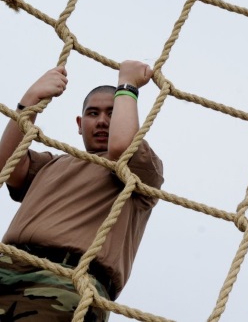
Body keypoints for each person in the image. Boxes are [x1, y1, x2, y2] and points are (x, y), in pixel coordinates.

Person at [0, 60, 164, 321]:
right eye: (93, 113)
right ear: (79, 123)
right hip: (7, 264)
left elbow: (122, 147)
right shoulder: (52, 164)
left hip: (65, 282)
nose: (102, 121)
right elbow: (7, 165)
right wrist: (29, 101)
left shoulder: (141, 168)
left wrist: (128, 85)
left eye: (112, 112)